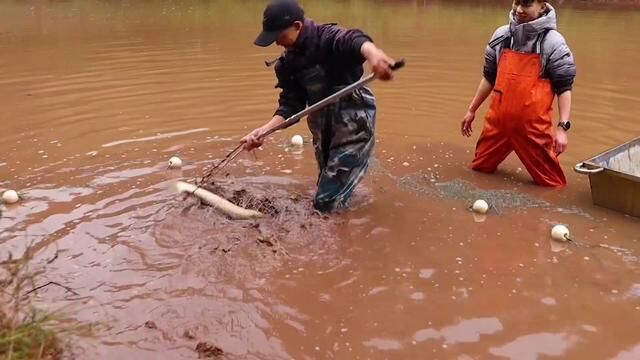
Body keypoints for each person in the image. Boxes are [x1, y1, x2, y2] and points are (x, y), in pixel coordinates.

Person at [241, 0, 397, 212]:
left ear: (297, 26)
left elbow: (355, 41)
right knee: (326, 185)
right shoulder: (286, 64)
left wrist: (374, 55)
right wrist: (264, 131)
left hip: (353, 124)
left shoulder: (328, 38)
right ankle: (350, 195)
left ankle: (340, 240)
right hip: (321, 126)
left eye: (279, 35)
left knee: (325, 203)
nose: (277, 42)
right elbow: (291, 106)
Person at [461, 0, 576, 187]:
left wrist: (562, 128)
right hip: (497, 125)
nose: (520, 10)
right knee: (479, 171)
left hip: (534, 131)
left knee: (552, 185)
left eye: (527, 4)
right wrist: (471, 110)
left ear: (542, 6)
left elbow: (564, 87)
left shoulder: (554, 43)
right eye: (517, 3)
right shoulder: (501, 36)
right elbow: (489, 78)